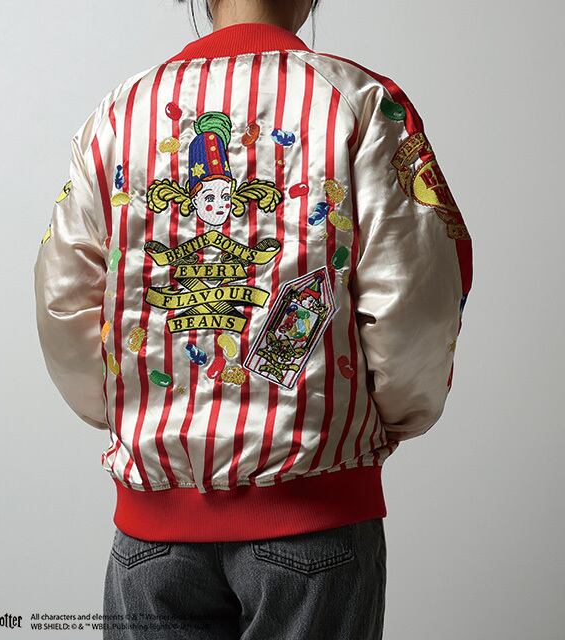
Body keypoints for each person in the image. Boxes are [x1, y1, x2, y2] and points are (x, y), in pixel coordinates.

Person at [33, 0, 473, 637]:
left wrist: (132, 417)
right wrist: (396, 415)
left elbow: (63, 300)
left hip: (151, 531)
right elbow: (418, 296)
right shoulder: (359, 104)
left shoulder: (118, 117)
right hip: (315, 518)